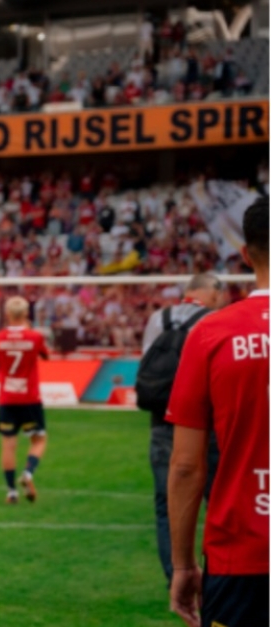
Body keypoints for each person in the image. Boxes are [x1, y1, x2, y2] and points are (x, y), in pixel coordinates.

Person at [167, 199, 269, 627]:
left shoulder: (211, 332)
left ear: (245, 255)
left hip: (240, 555)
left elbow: (188, 466)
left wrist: (183, 564)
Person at [140, 272, 222, 585]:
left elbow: (145, 364)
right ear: (212, 294)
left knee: (166, 504)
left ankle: (175, 575)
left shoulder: (158, 318)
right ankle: (220, 570)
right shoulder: (214, 319)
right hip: (205, 423)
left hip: (162, 421)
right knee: (217, 499)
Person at [0, 296, 50, 504]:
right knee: (39, 440)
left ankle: (11, 492)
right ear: (26, 314)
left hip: (7, 397)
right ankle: (27, 474)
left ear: (7, 314)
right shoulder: (35, 336)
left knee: (8, 444)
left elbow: (0, 360)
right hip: (29, 398)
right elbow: (45, 356)